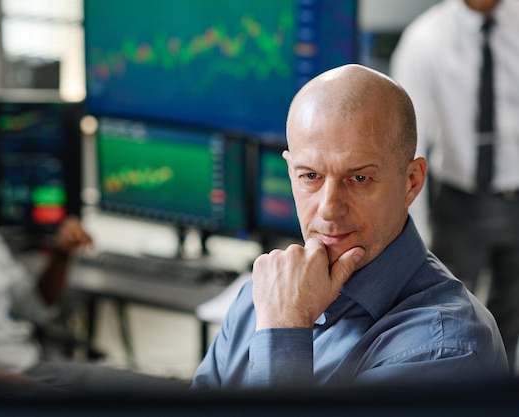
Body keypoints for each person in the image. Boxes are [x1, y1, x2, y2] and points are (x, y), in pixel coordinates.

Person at [191, 64, 509, 390]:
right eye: (310, 176)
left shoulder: (447, 351)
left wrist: (284, 330)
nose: (329, 207)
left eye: (359, 178)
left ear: (411, 182)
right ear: (291, 173)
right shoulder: (261, 296)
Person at [0, 144, 177, 393]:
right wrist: (21, 390)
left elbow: (36, 307)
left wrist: (61, 252)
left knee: (167, 392)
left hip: (36, 369)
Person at [390, 0, 519, 371]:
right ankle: (450, 395)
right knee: (444, 321)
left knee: (509, 321)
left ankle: (496, 396)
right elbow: (407, 146)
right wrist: (411, 231)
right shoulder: (425, 39)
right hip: (459, 203)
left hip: (516, 197)